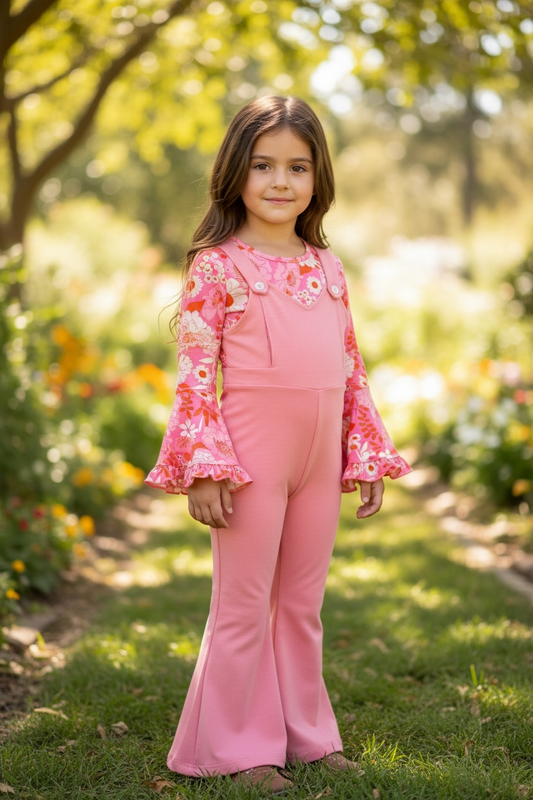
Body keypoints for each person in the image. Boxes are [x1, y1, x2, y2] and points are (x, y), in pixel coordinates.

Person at [145, 95, 411, 794]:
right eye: (262, 165)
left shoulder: (328, 266)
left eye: (297, 167)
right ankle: (235, 749)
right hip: (249, 457)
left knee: (300, 603)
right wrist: (206, 467)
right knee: (242, 604)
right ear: (235, 171)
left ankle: (308, 737)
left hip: (319, 458)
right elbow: (196, 377)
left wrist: (364, 449)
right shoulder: (217, 266)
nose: (279, 181)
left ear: (318, 178)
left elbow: (351, 366)